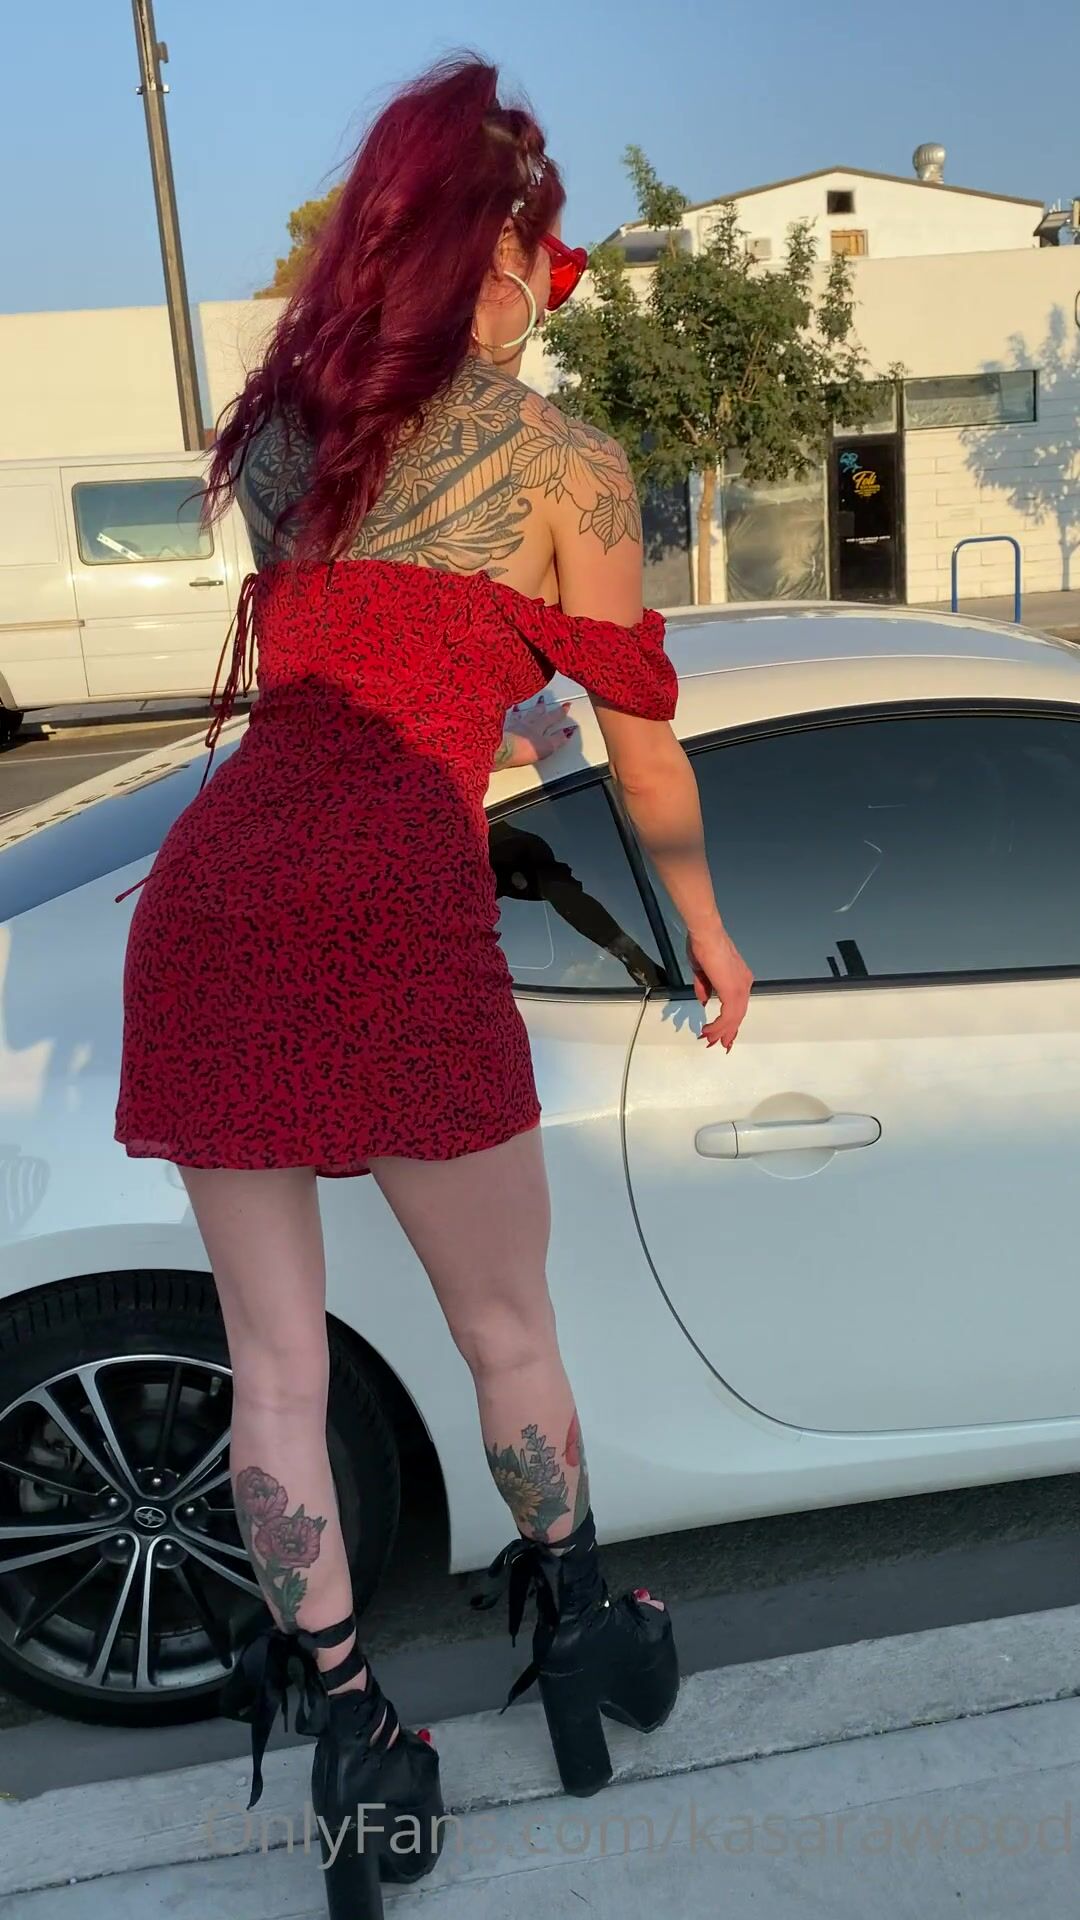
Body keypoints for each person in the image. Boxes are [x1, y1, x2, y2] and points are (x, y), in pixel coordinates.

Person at [113, 55, 752, 1919]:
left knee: (275, 1366)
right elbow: (644, 757)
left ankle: (351, 1734)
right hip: (393, 916)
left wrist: (484, 711)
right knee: (508, 1334)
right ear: (506, 250)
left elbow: (349, 676)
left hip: (219, 904)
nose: (548, 292)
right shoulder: (567, 464)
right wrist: (707, 927)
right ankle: (581, 1628)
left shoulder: (290, 436)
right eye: (545, 258)